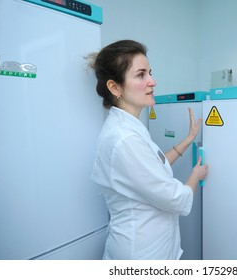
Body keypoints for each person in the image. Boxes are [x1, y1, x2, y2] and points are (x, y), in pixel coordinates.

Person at [88, 40, 208, 260]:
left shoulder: (129, 128)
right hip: (141, 255)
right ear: (115, 87)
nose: (153, 81)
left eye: (150, 73)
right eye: (141, 75)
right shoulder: (124, 140)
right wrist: (195, 174)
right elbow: (178, 200)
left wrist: (189, 139)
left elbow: (153, 167)